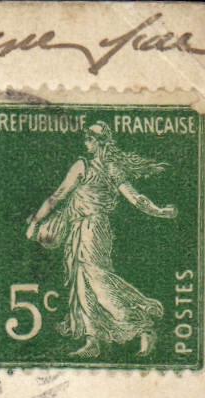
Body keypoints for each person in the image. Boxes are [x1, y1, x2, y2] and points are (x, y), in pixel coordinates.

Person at [25, 122, 177, 357]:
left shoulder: (86, 166)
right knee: (81, 282)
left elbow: (57, 196)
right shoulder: (104, 167)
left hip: (93, 228)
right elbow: (136, 199)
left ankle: (142, 323)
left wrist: (36, 222)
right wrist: (157, 210)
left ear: (98, 143)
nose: (85, 143)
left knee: (97, 280)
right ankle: (92, 339)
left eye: (89, 139)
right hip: (80, 228)